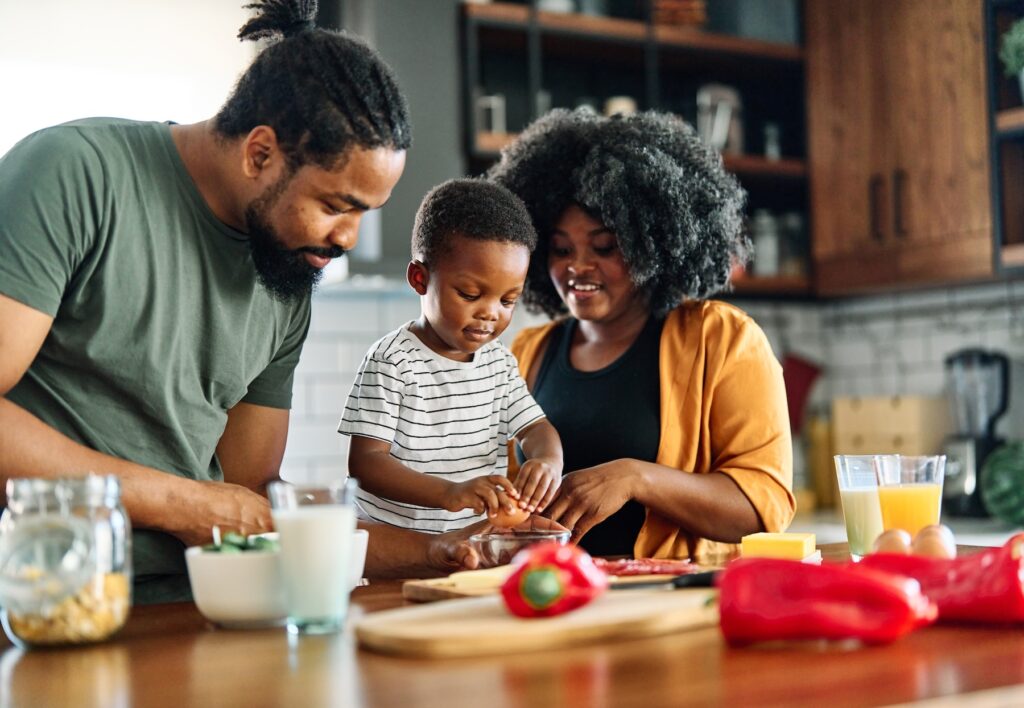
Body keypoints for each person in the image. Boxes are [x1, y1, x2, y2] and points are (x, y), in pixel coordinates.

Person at [0, 0, 412, 603]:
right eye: (334, 205)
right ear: (260, 153)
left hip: (198, 606)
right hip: (41, 602)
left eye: (363, 215)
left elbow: (249, 492)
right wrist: (182, 503)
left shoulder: (288, 271)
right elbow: (209, 507)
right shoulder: (72, 173)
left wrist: (442, 550)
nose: (347, 238)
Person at [488, 108, 795, 561]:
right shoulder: (527, 352)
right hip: (548, 597)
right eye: (560, 249)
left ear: (652, 241)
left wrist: (636, 478)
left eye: (605, 246)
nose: (578, 267)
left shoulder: (721, 338)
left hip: (666, 603)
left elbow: (763, 504)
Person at [340, 179, 564, 533]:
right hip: (398, 547)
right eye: (470, 294)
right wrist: (449, 493)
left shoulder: (498, 364)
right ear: (419, 278)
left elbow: (535, 428)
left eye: (508, 300)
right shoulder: (392, 362)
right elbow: (366, 465)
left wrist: (547, 461)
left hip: (474, 542)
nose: (491, 313)